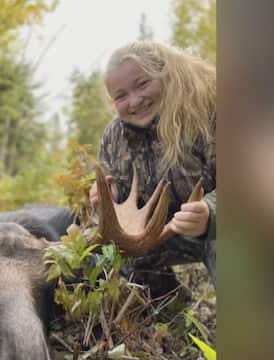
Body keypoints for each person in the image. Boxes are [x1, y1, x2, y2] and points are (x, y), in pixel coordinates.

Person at [89, 41, 216, 297]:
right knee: (107, 257)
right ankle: (170, 308)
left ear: (164, 76)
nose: (134, 101)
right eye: (121, 96)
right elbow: (120, 201)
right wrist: (108, 201)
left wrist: (210, 213)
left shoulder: (209, 111)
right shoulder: (114, 137)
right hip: (161, 236)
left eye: (142, 84)